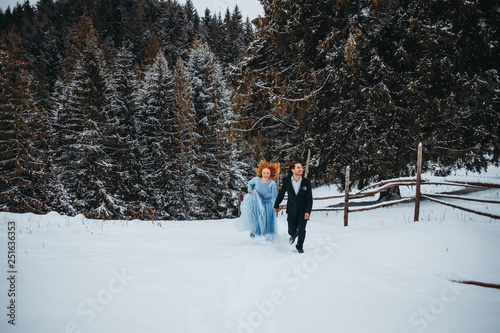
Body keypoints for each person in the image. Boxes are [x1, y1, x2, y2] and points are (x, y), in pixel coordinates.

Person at [274, 162, 313, 253]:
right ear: (293, 170)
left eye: (301, 167)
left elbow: (309, 198)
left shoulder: (306, 182)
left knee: (302, 229)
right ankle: (294, 235)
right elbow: (281, 194)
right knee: (291, 231)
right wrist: (276, 205)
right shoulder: (286, 181)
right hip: (291, 210)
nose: (301, 169)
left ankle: (299, 246)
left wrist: (308, 211)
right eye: (298, 167)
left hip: (303, 210)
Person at [236, 161, 280, 240]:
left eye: (267, 173)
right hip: (258, 202)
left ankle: (268, 235)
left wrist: (275, 206)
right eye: (264, 173)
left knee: (268, 219)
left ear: (271, 174)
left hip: (268, 203)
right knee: (258, 218)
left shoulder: (272, 183)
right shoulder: (256, 180)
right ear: (261, 173)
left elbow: (274, 196)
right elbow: (249, 183)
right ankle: (255, 232)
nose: (265, 175)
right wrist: (250, 190)